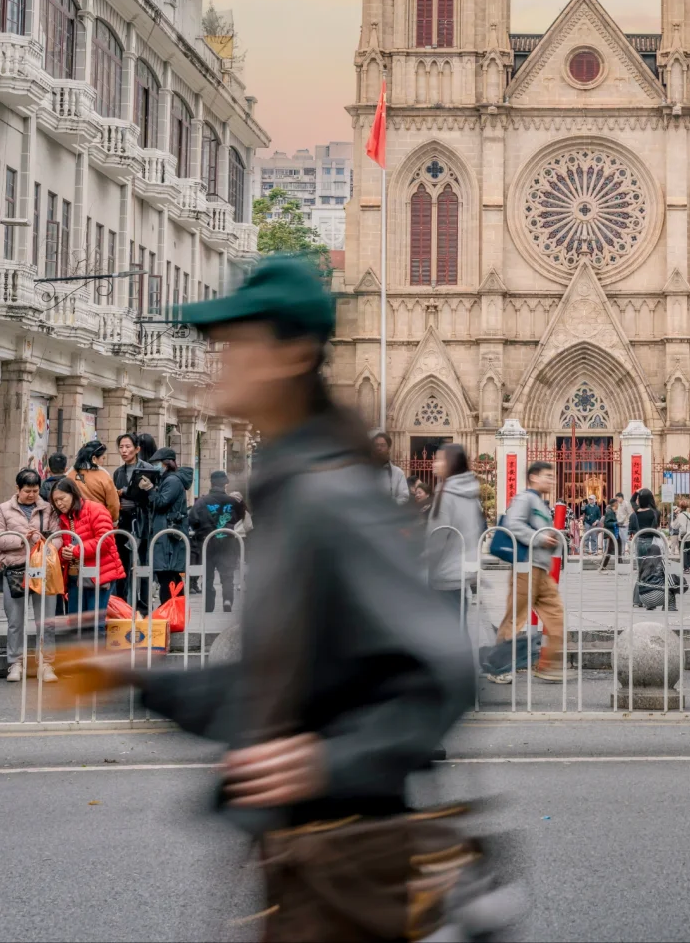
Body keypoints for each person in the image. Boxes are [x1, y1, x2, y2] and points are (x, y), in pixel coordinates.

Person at [61, 254, 478, 941]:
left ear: (293, 354)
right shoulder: (292, 485)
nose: (218, 360)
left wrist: (324, 762)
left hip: (348, 875)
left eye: (236, 343)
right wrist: (136, 676)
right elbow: (275, 688)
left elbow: (445, 672)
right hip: (305, 873)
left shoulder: (329, 494)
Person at [491, 460, 564, 683]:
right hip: (526, 567)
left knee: (556, 614)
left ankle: (548, 665)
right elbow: (513, 524)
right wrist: (541, 538)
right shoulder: (525, 499)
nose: (551, 480)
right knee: (515, 617)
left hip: (541, 570)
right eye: (547, 476)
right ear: (533, 477)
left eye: (552, 476)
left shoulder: (541, 503)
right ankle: (498, 668)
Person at [0, 467, 59, 682]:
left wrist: (45, 546)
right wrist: (24, 539)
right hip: (15, 570)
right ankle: (15, 662)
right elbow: (0, 538)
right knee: (15, 620)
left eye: (35, 491)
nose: (32, 495)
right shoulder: (3, 509)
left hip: (43, 569)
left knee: (46, 620)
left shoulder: (48, 509)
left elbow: (58, 536)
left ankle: (46, 663)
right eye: (27, 491)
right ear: (18, 488)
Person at [50, 476, 124, 626]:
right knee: (76, 622)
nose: (59, 504)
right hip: (74, 575)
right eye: (55, 501)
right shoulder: (63, 517)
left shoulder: (95, 509)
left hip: (99, 573)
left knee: (94, 623)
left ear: (73, 494)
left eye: (62, 499)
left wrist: (77, 551)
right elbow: (64, 543)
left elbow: (105, 540)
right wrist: (63, 553)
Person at [425, 443, 485, 598]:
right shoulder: (471, 491)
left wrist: (424, 565)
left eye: (440, 459)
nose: (434, 463)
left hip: (444, 576)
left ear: (451, 463)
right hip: (464, 573)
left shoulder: (446, 493)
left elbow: (437, 536)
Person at [189, 471, 247, 614]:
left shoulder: (202, 501)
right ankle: (227, 600)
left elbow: (192, 519)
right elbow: (242, 515)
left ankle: (209, 605)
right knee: (227, 574)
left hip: (207, 542)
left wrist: (201, 529)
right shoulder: (232, 501)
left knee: (208, 575)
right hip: (228, 541)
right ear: (225, 483)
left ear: (211, 482)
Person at [142, 446, 193, 606]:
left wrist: (150, 489)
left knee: (167, 576)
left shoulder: (172, 480)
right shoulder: (170, 480)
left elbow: (161, 503)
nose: (156, 466)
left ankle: (169, 611)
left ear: (167, 463)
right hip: (168, 535)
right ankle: (175, 611)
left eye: (158, 463)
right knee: (172, 577)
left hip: (168, 538)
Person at [112, 432, 153, 604]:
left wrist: (124, 492)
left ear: (137, 449)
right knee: (122, 562)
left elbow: (146, 495)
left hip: (142, 521)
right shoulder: (118, 472)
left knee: (143, 562)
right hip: (123, 521)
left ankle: (144, 602)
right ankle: (122, 601)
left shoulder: (147, 469)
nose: (124, 450)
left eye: (127, 446)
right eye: (121, 447)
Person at [71, 439, 121, 526]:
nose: (103, 461)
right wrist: (112, 521)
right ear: (94, 458)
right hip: (100, 522)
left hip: (75, 522)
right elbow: (113, 505)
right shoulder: (103, 476)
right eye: (103, 458)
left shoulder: (70, 474)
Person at [370, 430, 410, 504]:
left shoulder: (398, 473)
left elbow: (403, 497)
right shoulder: (364, 471)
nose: (379, 448)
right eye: (376, 445)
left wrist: (390, 505)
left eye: (382, 445)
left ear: (388, 448)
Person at [599, 498, 622, 569]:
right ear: (614, 504)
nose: (618, 505)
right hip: (610, 533)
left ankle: (620, 565)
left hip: (614, 533)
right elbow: (606, 523)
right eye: (617, 503)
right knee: (609, 550)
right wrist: (615, 523)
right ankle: (602, 566)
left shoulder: (612, 512)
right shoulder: (609, 512)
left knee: (618, 546)